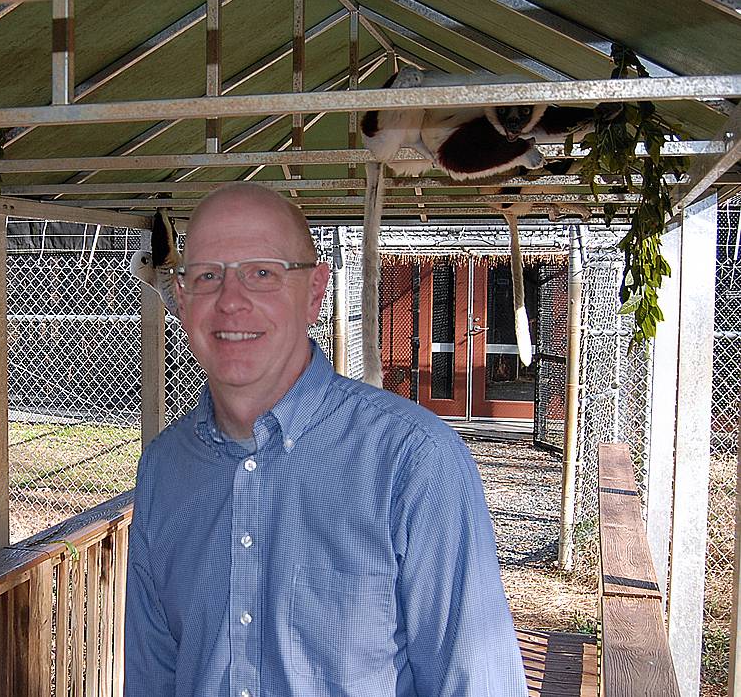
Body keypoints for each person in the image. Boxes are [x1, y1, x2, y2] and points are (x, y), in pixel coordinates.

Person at [123, 182, 527, 696]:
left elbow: (475, 682)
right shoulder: (165, 467)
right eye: (206, 276)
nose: (230, 302)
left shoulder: (413, 461)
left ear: (315, 292)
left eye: (262, 273)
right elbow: (153, 673)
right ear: (180, 298)